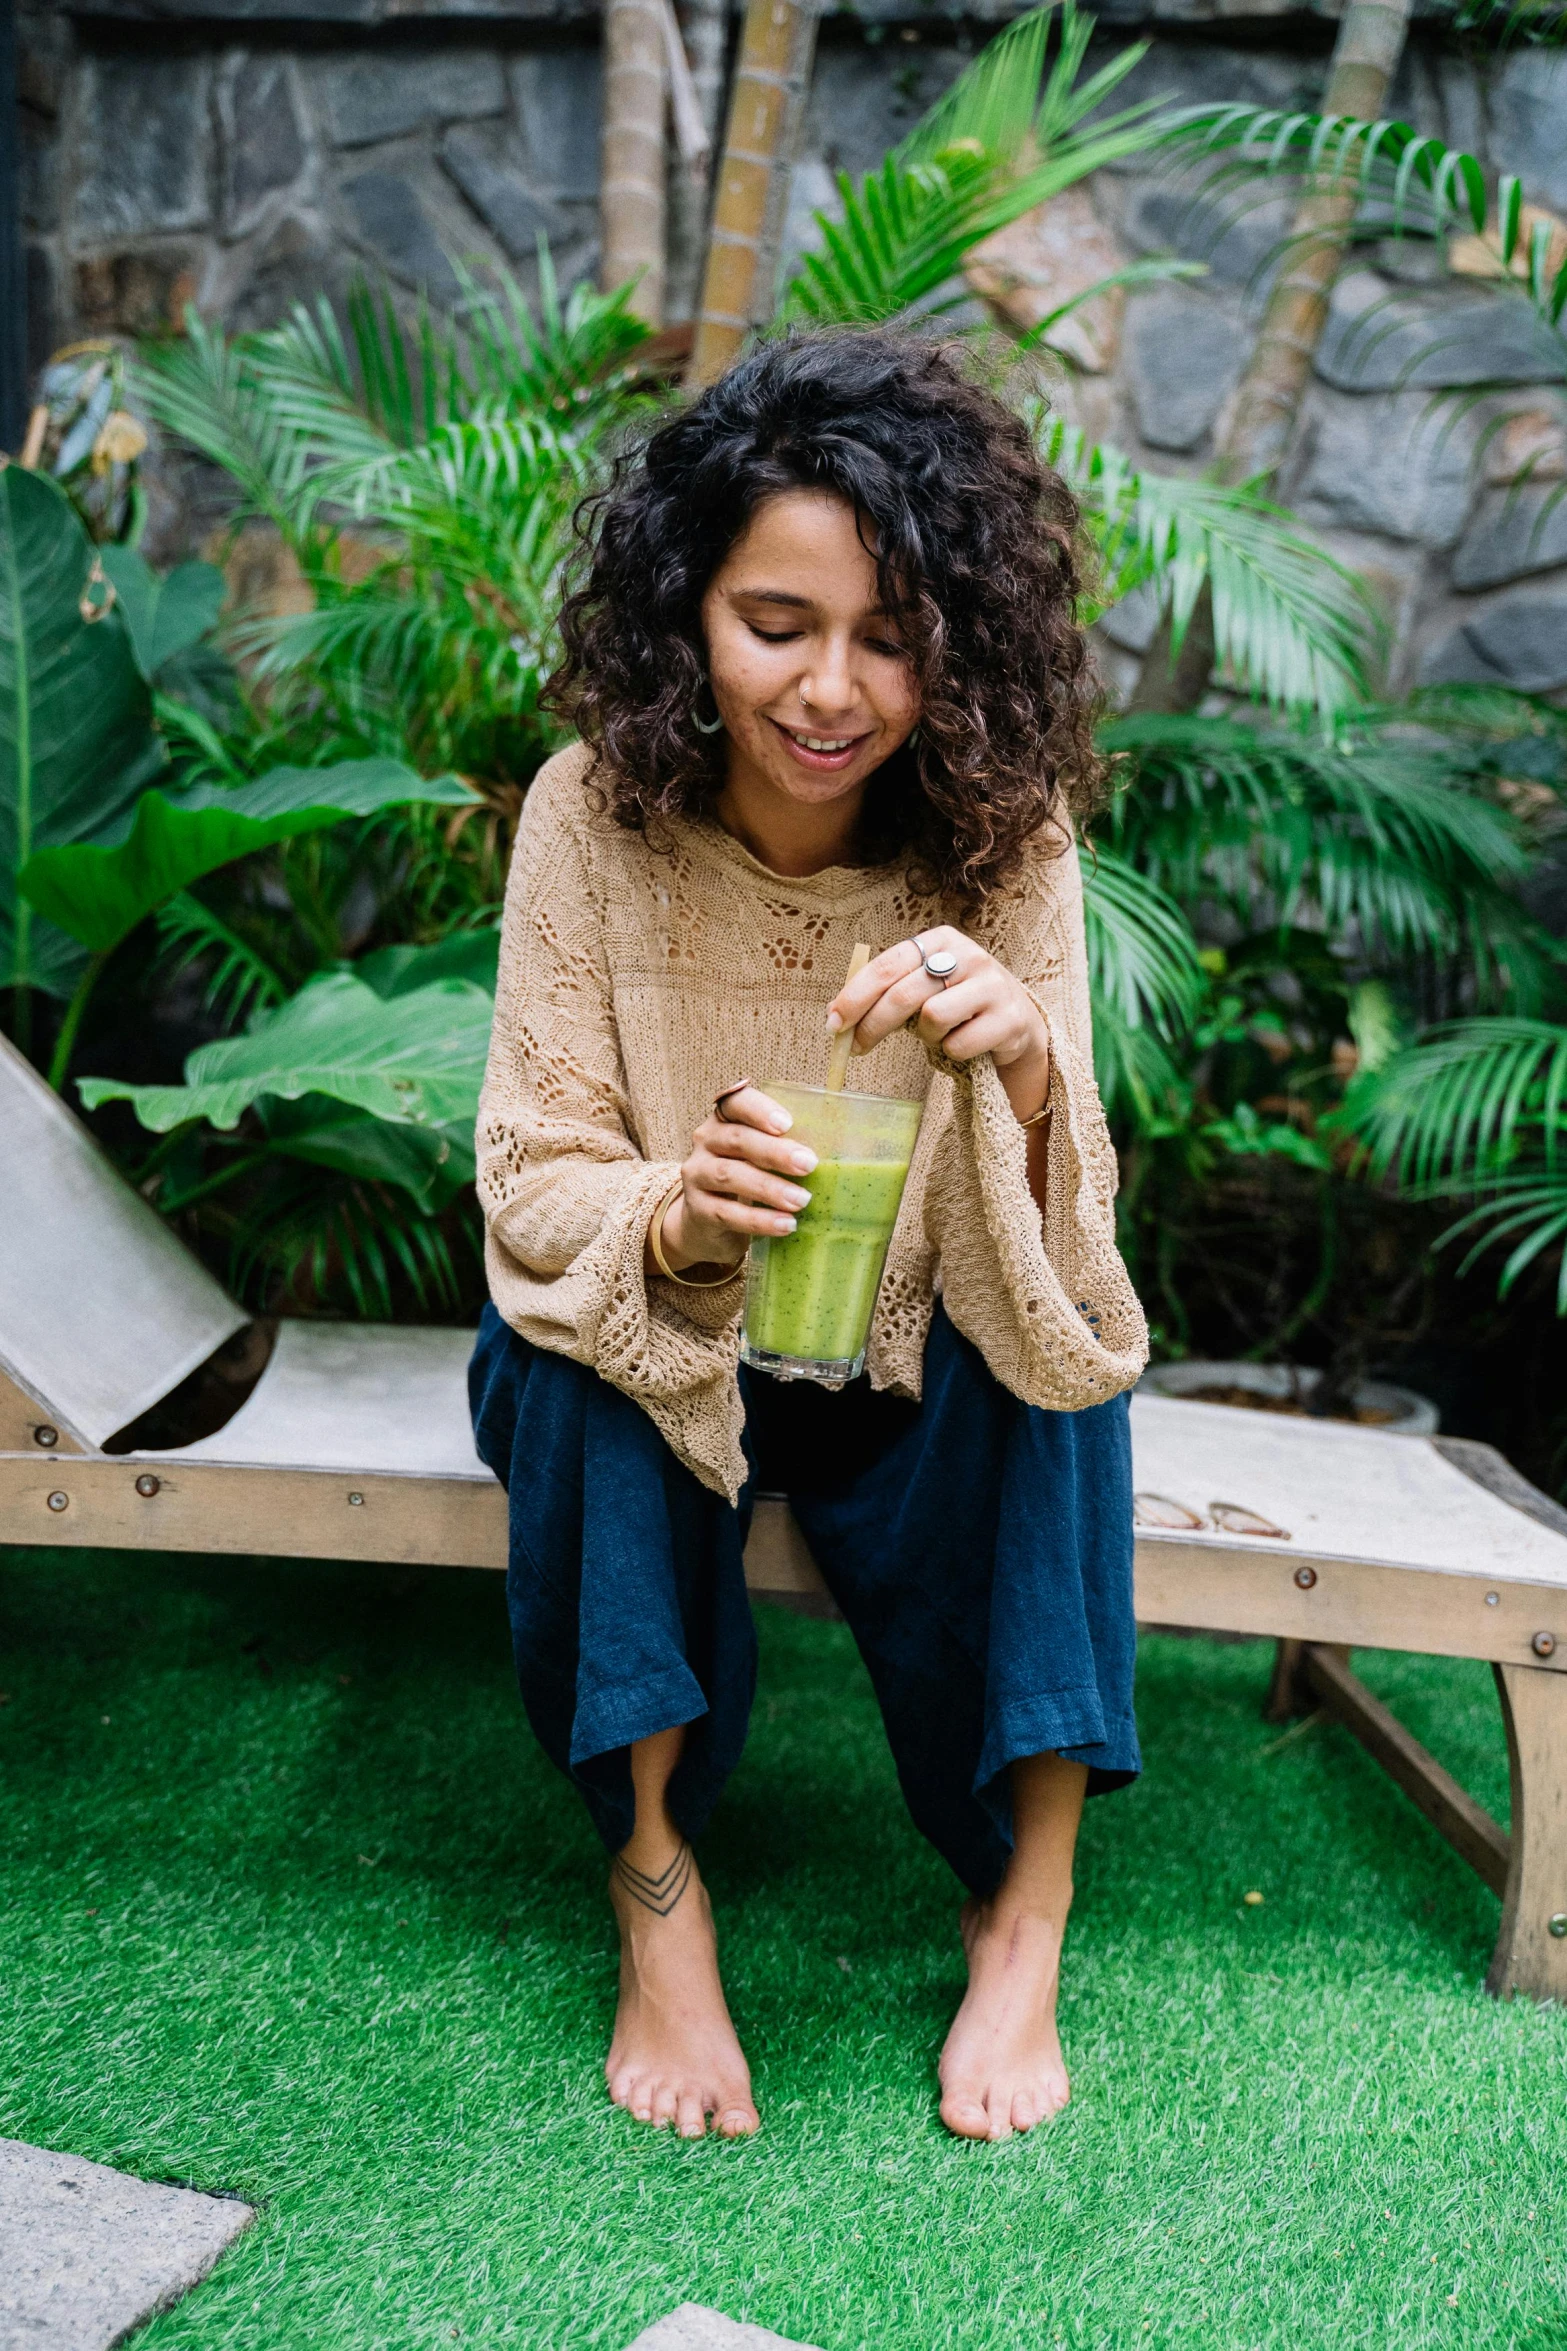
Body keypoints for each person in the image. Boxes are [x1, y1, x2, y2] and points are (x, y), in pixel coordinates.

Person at [468, 328, 1148, 2147]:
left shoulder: (1007, 844)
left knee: (1063, 1354)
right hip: (669, 1318)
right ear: (687, 611)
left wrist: (1016, 1082)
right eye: (778, 623)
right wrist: (672, 1214)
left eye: (893, 637)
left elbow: (1070, 1247)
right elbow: (532, 1173)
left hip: (900, 1341)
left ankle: (1026, 1911)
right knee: (576, 1357)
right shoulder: (586, 820)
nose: (832, 688)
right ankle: (656, 1890)